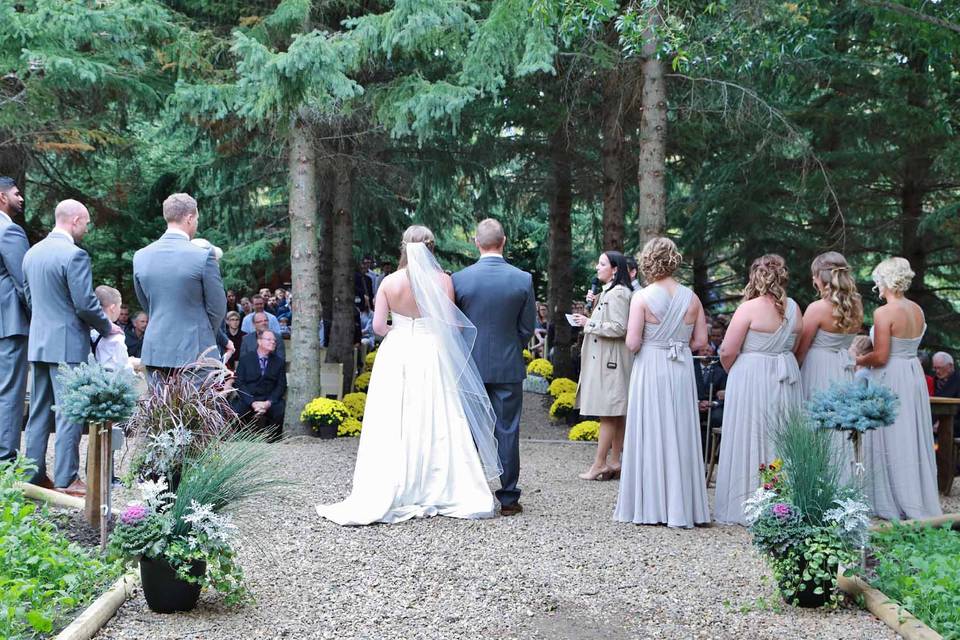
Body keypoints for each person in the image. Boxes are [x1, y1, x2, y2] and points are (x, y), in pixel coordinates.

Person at [317, 225, 502, 525]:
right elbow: (450, 323)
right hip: (433, 351)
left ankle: (396, 483)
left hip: (398, 352)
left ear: (403, 247)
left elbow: (377, 327)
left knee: (396, 415)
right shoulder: (443, 280)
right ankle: (440, 483)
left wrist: (400, 331)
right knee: (437, 413)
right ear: (431, 248)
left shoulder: (389, 282)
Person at [614, 238, 710, 528]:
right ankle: (682, 507)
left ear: (647, 262)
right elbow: (701, 342)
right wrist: (677, 342)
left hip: (651, 367)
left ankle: (651, 505)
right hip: (680, 368)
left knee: (652, 429)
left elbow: (632, 342)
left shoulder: (641, 298)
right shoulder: (691, 298)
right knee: (679, 431)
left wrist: (653, 341)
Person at [22, 200, 116, 496]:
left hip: (38, 343)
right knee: (68, 412)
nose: (87, 229)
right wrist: (106, 327)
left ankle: (32, 475)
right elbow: (85, 303)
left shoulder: (31, 254)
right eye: (86, 223)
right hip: (67, 345)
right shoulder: (75, 255)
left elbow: (29, 299)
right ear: (75, 220)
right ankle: (66, 479)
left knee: (37, 412)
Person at [453, 219, 536, 516]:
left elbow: (454, 327)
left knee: (470, 431)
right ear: (504, 241)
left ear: (476, 242)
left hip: (470, 364)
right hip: (508, 363)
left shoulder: (460, 279)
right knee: (507, 430)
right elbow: (527, 328)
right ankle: (509, 498)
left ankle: (469, 494)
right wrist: (511, 346)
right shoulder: (522, 279)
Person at [714, 254, 803, 525]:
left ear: (755, 277)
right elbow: (796, 348)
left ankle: (747, 499)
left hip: (751, 375)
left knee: (749, 432)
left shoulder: (748, 308)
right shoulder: (795, 309)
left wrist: (736, 372)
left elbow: (727, 350)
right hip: (784, 373)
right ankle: (780, 501)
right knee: (779, 434)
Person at [857, 257, 941, 520]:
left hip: (890, 375)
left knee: (891, 433)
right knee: (910, 433)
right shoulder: (917, 310)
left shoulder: (884, 313)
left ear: (886, 281)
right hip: (912, 374)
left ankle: (889, 498)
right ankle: (914, 494)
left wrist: (858, 360)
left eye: (878, 282)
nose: (877, 288)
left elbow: (881, 356)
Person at [133, 193, 227, 380]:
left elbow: (146, 303)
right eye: (197, 219)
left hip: (156, 350)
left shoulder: (140, 256)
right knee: (196, 408)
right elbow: (218, 307)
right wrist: (204, 333)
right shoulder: (203, 256)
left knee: (159, 409)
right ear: (190, 218)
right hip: (196, 353)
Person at [795, 251, 863, 482]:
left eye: (814, 276)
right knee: (838, 428)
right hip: (842, 370)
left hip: (818, 368)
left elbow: (801, 349)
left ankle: (817, 480)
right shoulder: (857, 305)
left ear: (820, 277)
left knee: (816, 425)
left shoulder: (817, 308)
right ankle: (841, 479)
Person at [570, 251, 633, 480]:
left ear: (615, 269)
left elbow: (619, 327)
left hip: (611, 361)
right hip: (611, 360)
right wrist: (594, 305)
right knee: (615, 412)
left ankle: (599, 463)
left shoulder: (618, 294)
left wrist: (589, 322)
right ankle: (614, 460)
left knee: (608, 412)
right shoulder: (611, 292)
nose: (597, 267)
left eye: (602, 264)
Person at [0, 177, 30, 463]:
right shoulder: (9, 231)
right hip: (8, 323)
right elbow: (24, 283)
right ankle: (5, 460)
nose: (21, 198)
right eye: (16, 193)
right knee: (10, 391)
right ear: (1, 197)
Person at [232, 330, 286, 441]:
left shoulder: (279, 362)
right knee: (237, 410)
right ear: (259, 341)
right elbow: (239, 382)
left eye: (274, 341)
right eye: (269, 339)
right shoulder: (246, 359)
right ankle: (239, 441)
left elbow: (281, 385)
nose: (273, 342)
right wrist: (252, 402)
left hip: (269, 398)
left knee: (279, 410)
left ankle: (273, 441)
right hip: (249, 397)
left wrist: (268, 403)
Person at [91, 286, 133, 372]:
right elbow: (124, 366)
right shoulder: (116, 335)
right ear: (113, 308)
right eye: (119, 306)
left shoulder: (92, 331)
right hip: (111, 381)